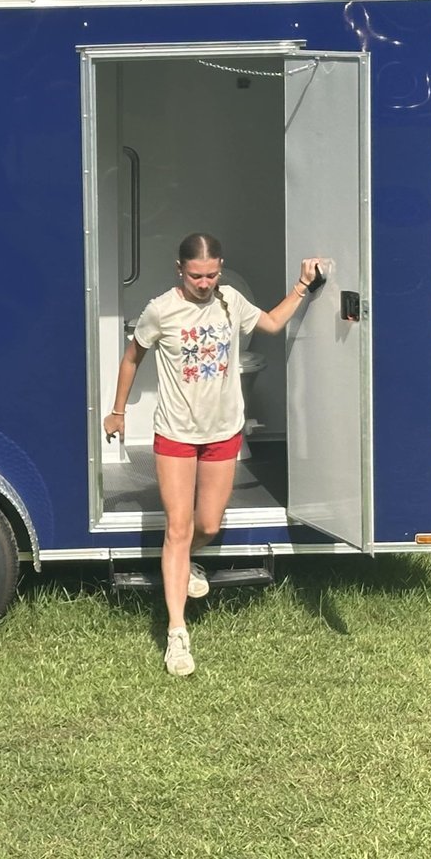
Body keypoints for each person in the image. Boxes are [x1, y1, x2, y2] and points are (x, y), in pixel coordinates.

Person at [103, 234, 321, 677]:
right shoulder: (160, 309)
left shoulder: (230, 301)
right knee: (179, 528)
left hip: (223, 432)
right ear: (179, 269)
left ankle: (181, 565)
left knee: (208, 524)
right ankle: (177, 634)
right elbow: (131, 359)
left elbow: (273, 324)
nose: (205, 283)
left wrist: (301, 286)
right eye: (196, 276)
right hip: (176, 434)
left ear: (220, 267)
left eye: (212, 274)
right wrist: (117, 411)